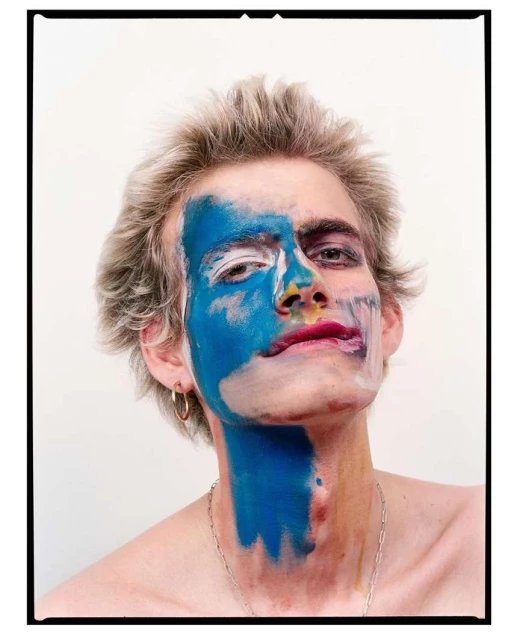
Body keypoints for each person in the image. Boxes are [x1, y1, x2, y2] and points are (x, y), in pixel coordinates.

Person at [35, 76, 484, 618]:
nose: (303, 283)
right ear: (167, 351)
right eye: (240, 267)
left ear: (387, 316)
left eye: (334, 253)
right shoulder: (93, 617)